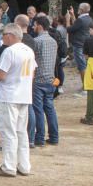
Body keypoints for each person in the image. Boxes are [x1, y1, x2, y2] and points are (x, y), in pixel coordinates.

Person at [0, 25, 37, 177]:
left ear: (10, 35)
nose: (2, 38)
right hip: (24, 94)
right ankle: (24, 165)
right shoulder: (28, 50)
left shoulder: (9, 51)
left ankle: (8, 166)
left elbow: (2, 75)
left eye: (4, 35)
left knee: (8, 132)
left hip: (9, 96)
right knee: (21, 132)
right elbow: (33, 72)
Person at [31, 16, 59, 147]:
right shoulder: (53, 41)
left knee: (38, 110)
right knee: (50, 109)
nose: (33, 27)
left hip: (38, 80)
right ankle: (54, 137)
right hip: (50, 79)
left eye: (34, 24)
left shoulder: (36, 41)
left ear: (40, 26)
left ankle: (40, 138)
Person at [66, 2, 93, 82]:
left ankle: (85, 87)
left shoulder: (81, 20)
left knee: (82, 65)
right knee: (84, 64)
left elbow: (69, 29)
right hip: (85, 43)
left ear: (81, 10)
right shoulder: (88, 18)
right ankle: (86, 85)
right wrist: (73, 15)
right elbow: (77, 25)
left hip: (79, 45)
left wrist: (67, 19)